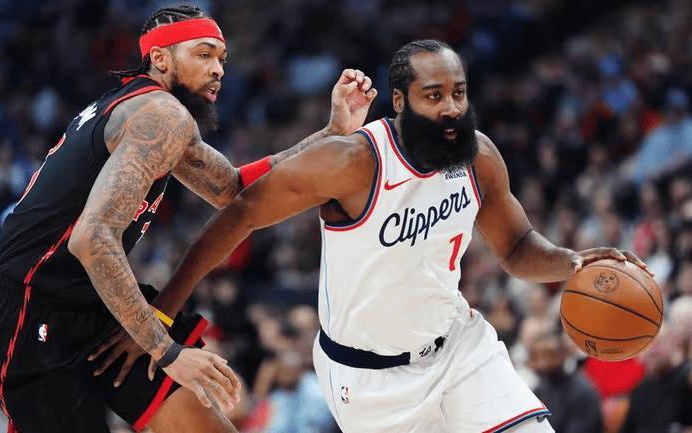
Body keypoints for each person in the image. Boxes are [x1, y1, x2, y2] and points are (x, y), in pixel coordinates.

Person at [153, 39, 652, 432]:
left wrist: (570, 261)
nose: (451, 108)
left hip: (459, 348)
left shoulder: (478, 156)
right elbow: (239, 215)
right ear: (400, 101)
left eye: (458, 93)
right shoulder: (352, 162)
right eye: (434, 96)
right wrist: (162, 315)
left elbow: (518, 247)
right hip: (368, 380)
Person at [0, 4, 377, 433]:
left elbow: (232, 188)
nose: (218, 69)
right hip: (31, 312)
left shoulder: (157, 112)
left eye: (222, 58)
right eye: (203, 54)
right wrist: (165, 350)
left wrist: (331, 136)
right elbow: (91, 239)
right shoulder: (160, 115)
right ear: (160, 58)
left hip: (93, 300)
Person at [529, 332, 603, 433]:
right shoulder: (539, 389)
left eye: (549, 355)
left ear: (563, 354)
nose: (542, 363)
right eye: (536, 356)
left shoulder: (581, 391)